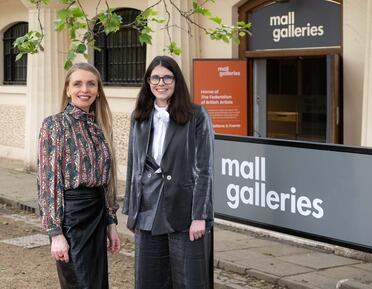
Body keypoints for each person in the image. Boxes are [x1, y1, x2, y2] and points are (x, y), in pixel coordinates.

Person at [123, 55, 214, 289]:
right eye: (155, 77)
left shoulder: (196, 116)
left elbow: (205, 170)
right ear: (148, 81)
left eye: (167, 77)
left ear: (176, 81)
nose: (160, 83)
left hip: (185, 212)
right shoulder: (139, 117)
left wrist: (200, 216)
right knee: (149, 280)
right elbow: (134, 167)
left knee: (190, 281)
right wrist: (132, 211)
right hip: (147, 211)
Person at [37, 62, 121, 289]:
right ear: (67, 89)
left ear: (98, 90)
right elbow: (48, 181)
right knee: (78, 283)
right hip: (71, 219)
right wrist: (55, 233)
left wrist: (111, 223)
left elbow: (107, 182)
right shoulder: (55, 125)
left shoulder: (101, 127)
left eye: (91, 84)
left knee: (97, 284)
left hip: (97, 216)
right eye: (78, 84)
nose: (85, 89)